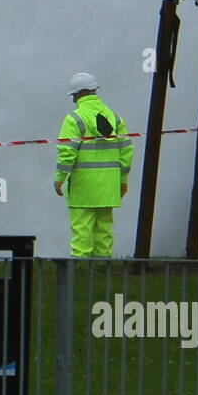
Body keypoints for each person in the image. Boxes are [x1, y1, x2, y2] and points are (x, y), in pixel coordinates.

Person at [54, 73, 132, 258]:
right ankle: (102, 266)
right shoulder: (115, 118)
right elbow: (126, 151)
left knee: (81, 228)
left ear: (77, 94)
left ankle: (80, 265)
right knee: (103, 230)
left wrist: (60, 178)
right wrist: (122, 180)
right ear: (95, 90)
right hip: (109, 185)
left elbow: (67, 152)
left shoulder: (74, 119)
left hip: (84, 186)